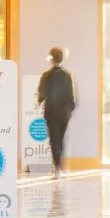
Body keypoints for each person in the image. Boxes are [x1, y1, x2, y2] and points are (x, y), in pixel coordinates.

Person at [35, 45, 76, 173]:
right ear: (61, 59)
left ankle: (57, 165)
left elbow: (41, 93)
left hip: (51, 111)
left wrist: (39, 101)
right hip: (64, 112)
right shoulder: (67, 75)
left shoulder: (46, 75)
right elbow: (70, 94)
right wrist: (71, 108)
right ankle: (59, 164)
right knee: (61, 137)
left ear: (51, 59)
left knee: (54, 138)